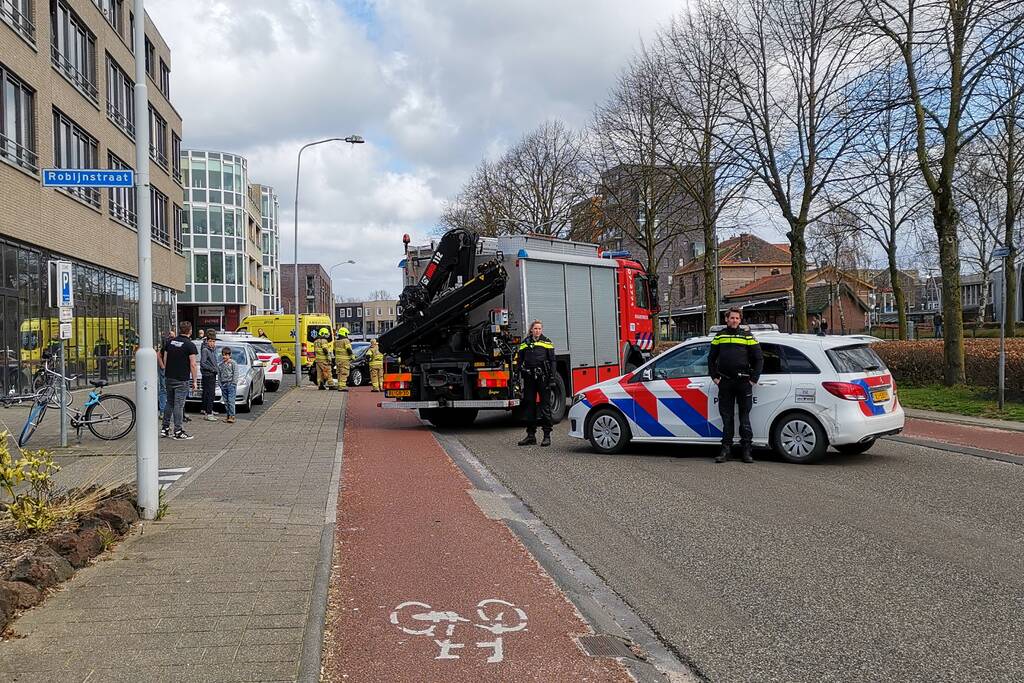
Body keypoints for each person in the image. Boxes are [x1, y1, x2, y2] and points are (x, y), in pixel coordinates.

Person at [709, 308, 763, 464]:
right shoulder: (719, 336)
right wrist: (715, 378)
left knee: (744, 418)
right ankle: (726, 450)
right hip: (725, 382)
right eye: (731, 318)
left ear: (740, 320)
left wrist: (753, 379)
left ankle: (746, 451)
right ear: (726, 319)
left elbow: (759, 359)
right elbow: (711, 359)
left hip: (744, 383)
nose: (734, 320)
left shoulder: (747, 336)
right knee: (727, 418)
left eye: (737, 318)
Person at [517, 320, 556, 447]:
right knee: (529, 406)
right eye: (535, 328)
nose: (537, 330)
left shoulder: (547, 342)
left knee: (545, 407)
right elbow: (519, 360)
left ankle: (546, 436)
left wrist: (552, 377)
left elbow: (553, 361)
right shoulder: (525, 343)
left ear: (541, 330)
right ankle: (531, 436)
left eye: (539, 328)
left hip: (543, 378)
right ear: (531, 330)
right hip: (529, 378)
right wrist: (518, 373)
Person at [160, 321, 198, 440]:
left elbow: (165, 358)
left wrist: (168, 371)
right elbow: (193, 364)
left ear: (180, 330)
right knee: (179, 405)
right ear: (190, 330)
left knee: (169, 403)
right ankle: (178, 431)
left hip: (169, 377)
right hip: (182, 379)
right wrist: (195, 381)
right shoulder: (189, 345)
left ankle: (165, 428)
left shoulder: (170, 342)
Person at [200, 332, 219, 420]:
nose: (212, 343)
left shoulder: (212, 349)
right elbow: (203, 363)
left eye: (213, 341)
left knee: (209, 393)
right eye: (210, 341)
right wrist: (212, 369)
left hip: (212, 374)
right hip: (208, 374)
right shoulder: (205, 350)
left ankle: (208, 409)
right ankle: (209, 413)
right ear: (207, 341)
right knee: (210, 393)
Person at [218, 347, 238, 424]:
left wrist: (233, 383)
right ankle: (228, 415)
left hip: (231, 384)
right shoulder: (220, 365)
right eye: (223, 355)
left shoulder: (233, 363)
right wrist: (220, 384)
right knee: (226, 401)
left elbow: (235, 373)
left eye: (226, 355)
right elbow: (219, 375)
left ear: (230, 355)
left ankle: (232, 416)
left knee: (231, 401)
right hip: (223, 385)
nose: (224, 357)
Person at [334, 327, 354, 391]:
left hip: (337, 360)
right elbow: (348, 349)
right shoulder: (346, 341)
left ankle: (339, 386)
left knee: (339, 373)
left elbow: (334, 351)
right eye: (346, 334)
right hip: (344, 361)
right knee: (344, 373)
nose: (347, 335)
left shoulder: (336, 341)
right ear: (344, 333)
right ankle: (342, 387)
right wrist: (352, 355)